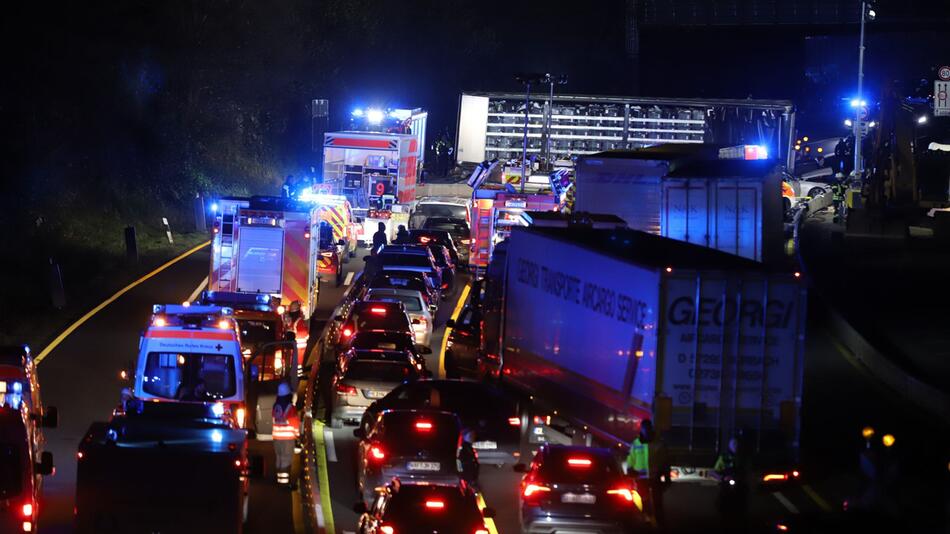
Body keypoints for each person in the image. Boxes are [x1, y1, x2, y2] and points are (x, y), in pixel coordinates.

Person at [712, 436, 747, 532]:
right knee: (722, 505)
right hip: (726, 485)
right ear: (730, 445)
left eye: (737, 444)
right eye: (734, 444)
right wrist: (723, 478)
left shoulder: (742, 458)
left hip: (739, 486)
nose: (736, 446)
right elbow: (714, 472)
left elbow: (746, 472)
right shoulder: (723, 457)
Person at [272, 382, 299, 487]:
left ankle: (279, 480)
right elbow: (295, 423)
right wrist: (297, 436)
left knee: (278, 458)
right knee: (286, 459)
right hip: (287, 438)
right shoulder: (290, 407)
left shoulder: (276, 406)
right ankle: (283, 483)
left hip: (276, 438)